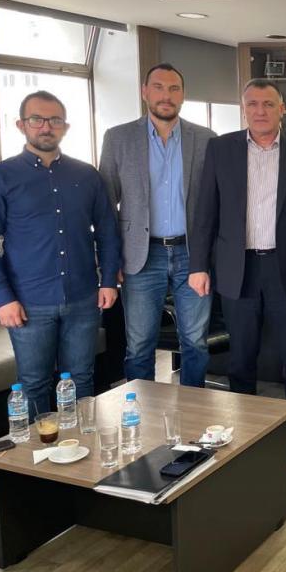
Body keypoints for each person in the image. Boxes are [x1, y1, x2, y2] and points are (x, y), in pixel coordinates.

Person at [188, 79, 286, 464]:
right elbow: (205, 213)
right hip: (239, 268)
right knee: (241, 357)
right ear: (244, 108)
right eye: (252, 104)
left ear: (282, 109)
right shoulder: (221, 149)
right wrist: (198, 265)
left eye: (268, 104)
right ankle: (246, 430)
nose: (260, 111)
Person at [0, 91, 120, 413]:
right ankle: (41, 446)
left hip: (83, 298)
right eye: (37, 119)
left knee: (82, 378)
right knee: (34, 383)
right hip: (28, 303)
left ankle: (80, 441)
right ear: (21, 125)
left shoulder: (86, 175)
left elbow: (107, 231)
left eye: (54, 120)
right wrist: (3, 298)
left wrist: (109, 280)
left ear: (65, 127)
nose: (46, 127)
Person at [99, 63, 216, 388]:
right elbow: (105, 205)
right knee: (139, 346)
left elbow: (215, 203)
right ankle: (142, 413)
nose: (167, 95)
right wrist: (109, 262)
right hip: (140, 256)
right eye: (159, 87)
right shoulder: (118, 138)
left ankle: (193, 410)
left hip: (192, 255)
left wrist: (209, 257)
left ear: (183, 95)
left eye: (174, 88)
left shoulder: (205, 139)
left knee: (195, 342)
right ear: (144, 92)